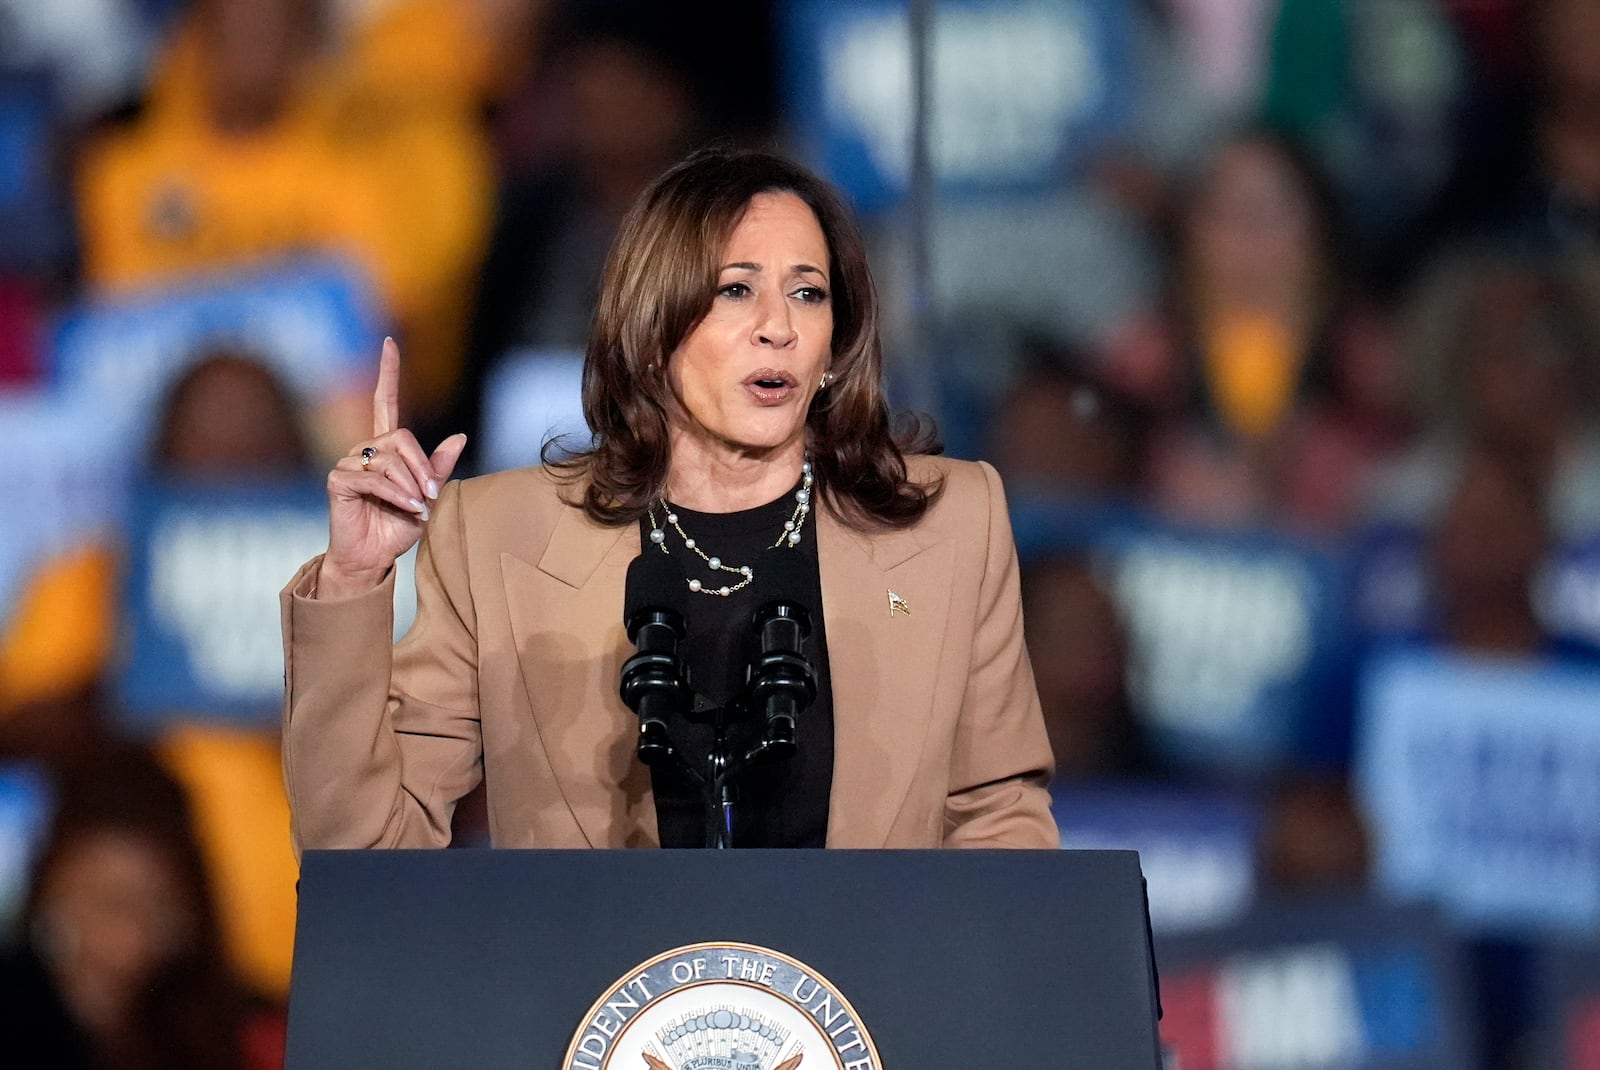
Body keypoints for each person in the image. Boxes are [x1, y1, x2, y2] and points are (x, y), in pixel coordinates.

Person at [280, 147, 1056, 851]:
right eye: (736, 291)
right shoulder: (495, 538)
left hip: (869, 1000)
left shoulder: (952, 520)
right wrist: (353, 580)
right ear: (654, 325)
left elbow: (997, 819)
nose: (778, 328)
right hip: (600, 1001)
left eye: (809, 294)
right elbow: (364, 851)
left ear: (835, 343)